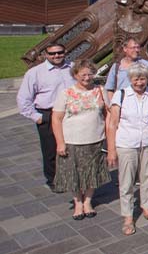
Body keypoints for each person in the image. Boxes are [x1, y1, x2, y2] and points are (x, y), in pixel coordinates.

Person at [106, 63, 148, 235]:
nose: (139, 82)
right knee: (126, 181)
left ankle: (146, 207)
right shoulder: (121, 95)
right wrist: (111, 150)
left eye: (142, 78)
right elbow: (112, 124)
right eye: (136, 79)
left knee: (147, 177)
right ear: (130, 79)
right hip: (127, 143)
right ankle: (128, 216)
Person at [51, 60, 108, 219]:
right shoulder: (66, 93)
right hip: (72, 140)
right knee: (73, 173)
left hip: (95, 138)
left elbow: (108, 114)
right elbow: (56, 118)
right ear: (75, 75)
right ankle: (77, 202)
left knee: (92, 172)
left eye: (90, 74)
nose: (87, 77)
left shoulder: (100, 91)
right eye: (83, 74)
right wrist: (60, 142)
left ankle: (88, 201)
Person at [17, 43, 75, 187]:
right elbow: (23, 99)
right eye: (52, 53)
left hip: (71, 113)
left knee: (73, 146)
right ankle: (54, 180)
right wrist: (37, 117)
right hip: (48, 113)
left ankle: (71, 175)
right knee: (51, 149)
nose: (56, 56)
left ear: (65, 52)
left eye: (60, 52)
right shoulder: (35, 73)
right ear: (45, 54)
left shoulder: (73, 68)